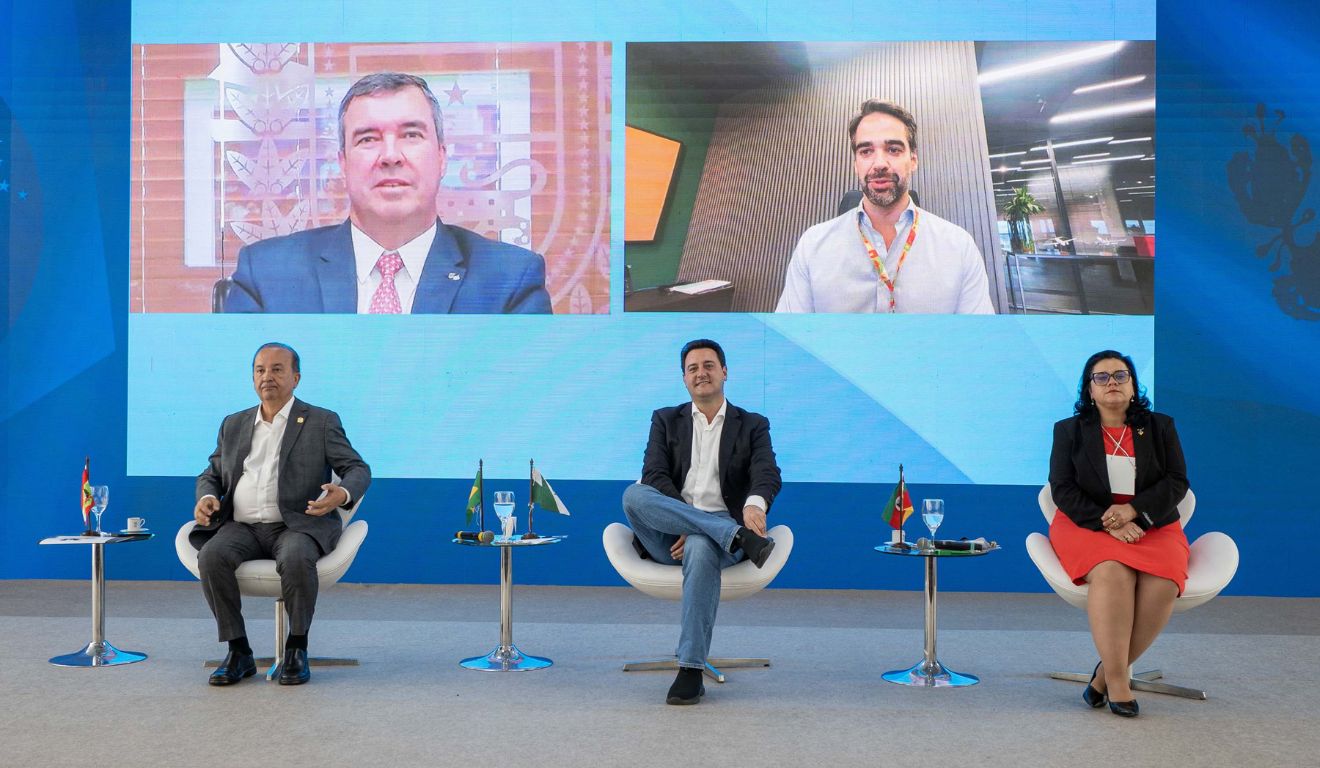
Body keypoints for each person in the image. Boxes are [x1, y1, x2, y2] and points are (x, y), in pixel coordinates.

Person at [224, 72, 551, 314]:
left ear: (441, 158)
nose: (390, 155)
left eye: (411, 134)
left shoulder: (510, 280)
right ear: (343, 163)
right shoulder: (267, 275)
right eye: (368, 139)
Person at [192, 342, 371, 686]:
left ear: (296, 377)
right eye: (260, 370)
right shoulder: (234, 423)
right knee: (212, 555)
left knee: (296, 555)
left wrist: (342, 493)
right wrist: (208, 496)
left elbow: (357, 469)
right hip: (241, 526)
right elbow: (211, 474)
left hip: (296, 524)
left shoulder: (320, 421)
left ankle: (297, 649)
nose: (267, 377)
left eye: (277, 369)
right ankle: (238, 651)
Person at [620, 339, 782, 705]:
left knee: (700, 544)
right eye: (693, 368)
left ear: (724, 372)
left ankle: (690, 669)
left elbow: (767, 472)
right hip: (672, 531)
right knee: (633, 494)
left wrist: (755, 503)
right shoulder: (664, 419)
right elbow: (654, 475)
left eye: (709, 365)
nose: (701, 373)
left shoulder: (752, 424)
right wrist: (686, 522)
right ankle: (733, 536)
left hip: (718, 530)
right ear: (684, 379)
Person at [1048, 350, 1189, 717]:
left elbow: (1177, 482)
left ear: (1132, 385)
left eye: (1120, 375)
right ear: (1089, 390)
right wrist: (1107, 523)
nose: (1112, 382)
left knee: (1163, 583)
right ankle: (1119, 682)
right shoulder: (1069, 430)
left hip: (1152, 523)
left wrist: (1134, 514)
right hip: (1087, 523)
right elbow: (1061, 488)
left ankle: (1101, 678)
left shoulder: (1160, 426)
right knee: (1112, 572)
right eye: (1101, 377)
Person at [775, 100, 995, 314]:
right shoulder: (812, 246)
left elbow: (977, 342)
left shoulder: (959, 247)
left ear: (913, 160)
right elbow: (789, 339)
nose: (879, 163)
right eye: (866, 151)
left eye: (893, 149)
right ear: (855, 164)